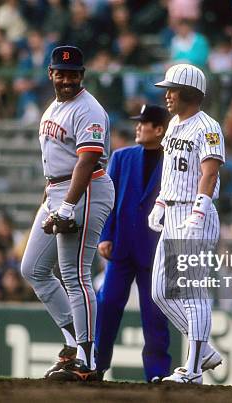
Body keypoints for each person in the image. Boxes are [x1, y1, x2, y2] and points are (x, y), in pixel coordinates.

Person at [20, 45, 115, 382]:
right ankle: (74, 342)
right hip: (59, 190)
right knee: (33, 269)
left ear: (82, 75)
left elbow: (87, 160)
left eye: (73, 73)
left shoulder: (88, 109)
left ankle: (88, 361)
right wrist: (52, 197)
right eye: (61, 73)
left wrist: (67, 206)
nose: (67, 78)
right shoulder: (54, 107)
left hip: (86, 190)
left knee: (75, 276)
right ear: (50, 74)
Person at [148, 64, 224, 384]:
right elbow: (171, 174)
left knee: (192, 292)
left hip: (196, 215)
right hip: (173, 213)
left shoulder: (208, 126)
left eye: (172, 89)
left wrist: (199, 211)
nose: (166, 95)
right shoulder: (174, 124)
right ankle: (203, 349)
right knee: (160, 292)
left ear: (189, 93)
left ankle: (192, 370)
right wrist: (161, 202)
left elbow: (210, 173)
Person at [96, 104, 172, 382]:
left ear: (159, 129)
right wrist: (105, 235)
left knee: (154, 317)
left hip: (157, 252)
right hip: (122, 248)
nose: (138, 127)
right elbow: (109, 202)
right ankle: (96, 365)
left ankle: (157, 374)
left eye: (144, 123)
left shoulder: (174, 162)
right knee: (107, 303)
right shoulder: (121, 157)